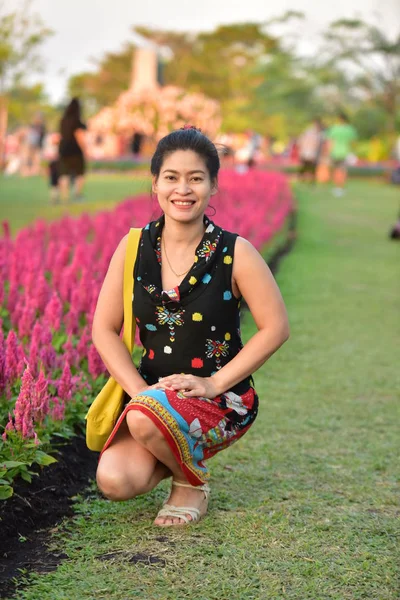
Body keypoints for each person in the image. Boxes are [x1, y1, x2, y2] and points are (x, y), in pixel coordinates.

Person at [92, 126, 290, 527]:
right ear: (155, 183)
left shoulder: (236, 252)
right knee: (114, 481)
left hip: (220, 398)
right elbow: (104, 329)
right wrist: (140, 395)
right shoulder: (133, 248)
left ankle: (189, 483)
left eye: (196, 178)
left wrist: (215, 384)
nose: (183, 189)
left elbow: (276, 327)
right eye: (172, 177)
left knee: (146, 419)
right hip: (149, 398)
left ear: (213, 186)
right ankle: (170, 443)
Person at [58, 98, 87, 202]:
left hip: (63, 149)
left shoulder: (63, 120)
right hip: (75, 150)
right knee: (80, 173)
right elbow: (79, 136)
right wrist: (85, 149)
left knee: (64, 173)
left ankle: (64, 197)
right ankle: (77, 194)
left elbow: (60, 135)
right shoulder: (77, 120)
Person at [326, 112, 357, 197]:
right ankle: (341, 187)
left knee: (336, 170)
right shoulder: (350, 129)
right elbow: (353, 143)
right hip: (345, 152)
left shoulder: (334, 128)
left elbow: (330, 142)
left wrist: (328, 152)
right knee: (343, 170)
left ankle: (337, 187)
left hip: (335, 152)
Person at [298, 118, 323, 183]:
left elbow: (300, 142)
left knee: (305, 167)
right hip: (311, 153)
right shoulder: (317, 134)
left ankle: (303, 180)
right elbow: (317, 145)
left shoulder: (307, 132)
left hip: (305, 152)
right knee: (310, 168)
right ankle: (309, 180)